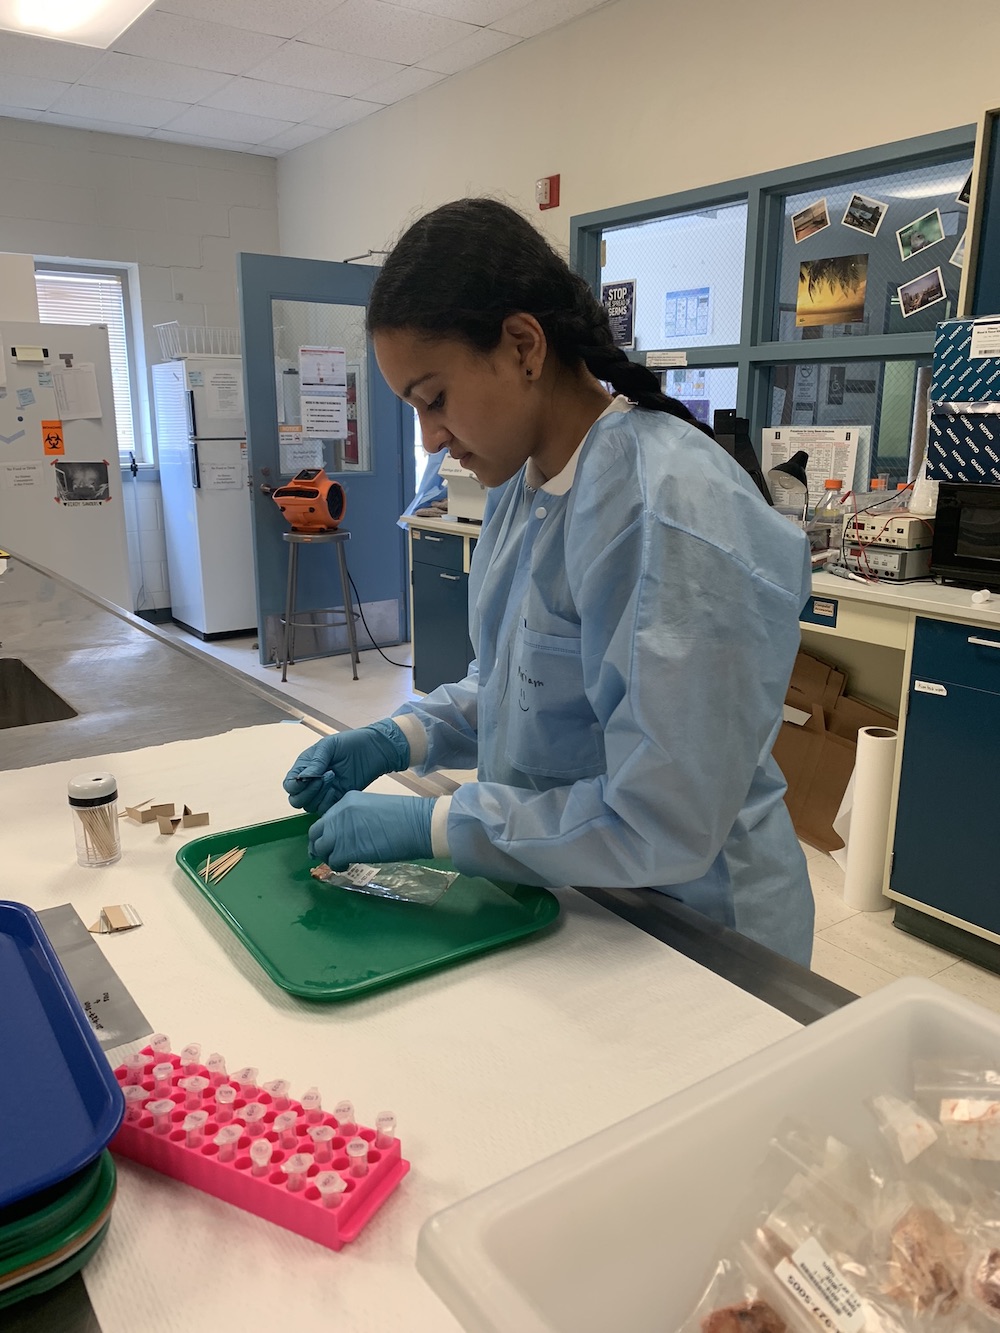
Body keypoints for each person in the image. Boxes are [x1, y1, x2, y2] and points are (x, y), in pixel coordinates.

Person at [284, 198, 815, 965]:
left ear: (524, 346)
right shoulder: (522, 492)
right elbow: (522, 685)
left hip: (700, 935)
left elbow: (660, 820)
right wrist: (400, 736)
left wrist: (436, 827)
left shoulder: (662, 509)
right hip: (576, 898)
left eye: (435, 400)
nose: (430, 438)